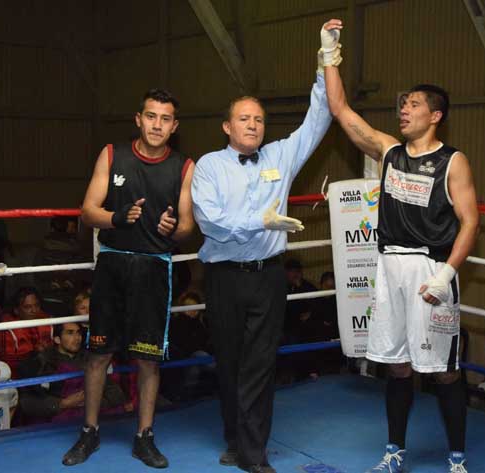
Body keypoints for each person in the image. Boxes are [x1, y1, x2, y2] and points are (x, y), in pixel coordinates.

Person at [323, 20, 480, 473]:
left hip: (432, 269)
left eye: (413, 105)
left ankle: (457, 458)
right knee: (397, 366)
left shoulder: (453, 161)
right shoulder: (389, 152)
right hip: (389, 267)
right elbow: (341, 110)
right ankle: (394, 451)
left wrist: (447, 273)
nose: (403, 110)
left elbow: (471, 221)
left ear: (435, 115)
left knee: (444, 369)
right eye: (403, 105)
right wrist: (329, 53)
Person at [191, 21, 337, 473]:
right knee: (231, 363)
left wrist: (325, 62)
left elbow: (320, 117)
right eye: (244, 119)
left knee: (260, 365)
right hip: (223, 277)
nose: (253, 125)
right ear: (226, 126)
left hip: (269, 275)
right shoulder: (210, 167)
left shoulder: (279, 155)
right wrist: (261, 219)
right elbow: (210, 221)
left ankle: (254, 455)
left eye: (258, 119)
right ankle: (235, 440)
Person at [62, 88, 195, 469]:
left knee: (149, 359)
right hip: (113, 265)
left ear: (174, 126)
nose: (157, 124)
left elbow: (188, 224)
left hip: (154, 266)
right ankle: (89, 432)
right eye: (151, 116)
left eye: (165, 118)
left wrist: (175, 229)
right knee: (98, 353)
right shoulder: (111, 154)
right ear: (139, 119)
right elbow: (88, 211)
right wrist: (117, 218)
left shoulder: (185, 166)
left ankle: (144, 437)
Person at [18, 322, 126, 424]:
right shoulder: (42, 362)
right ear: (57, 339)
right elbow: (27, 403)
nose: (77, 338)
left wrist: (90, 402)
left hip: (91, 417)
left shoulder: (93, 360)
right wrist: (63, 404)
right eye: (70, 333)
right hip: (57, 423)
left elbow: (117, 394)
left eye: (78, 333)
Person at [0, 287, 53, 376]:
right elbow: (4, 363)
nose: (34, 310)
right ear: (16, 310)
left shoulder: (49, 321)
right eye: (28, 307)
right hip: (19, 378)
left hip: (48, 372)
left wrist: (48, 351)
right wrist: (35, 354)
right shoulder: (5, 329)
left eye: (37, 305)